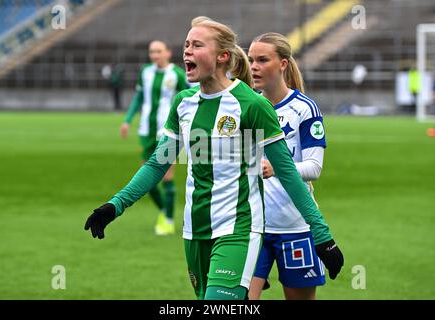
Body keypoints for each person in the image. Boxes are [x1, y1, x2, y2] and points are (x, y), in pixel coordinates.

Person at [84, 16, 343, 300]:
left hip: (239, 230)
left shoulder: (252, 105)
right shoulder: (183, 103)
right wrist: (114, 206)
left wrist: (322, 235)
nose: (187, 51)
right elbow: (159, 164)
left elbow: (289, 174)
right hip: (194, 231)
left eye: (197, 45)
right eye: (186, 45)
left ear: (222, 57)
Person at [247, 32, 336, 300]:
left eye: (263, 60)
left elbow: (314, 168)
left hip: (296, 227)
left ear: (283, 64)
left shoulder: (304, 109)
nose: (254, 66)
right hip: (253, 227)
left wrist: (279, 168)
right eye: (251, 60)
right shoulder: (246, 105)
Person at [120, 40, 188, 235]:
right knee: (146, 177)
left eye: (158, 51)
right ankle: (164, 211)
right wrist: (127, 120)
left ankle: (167, 220)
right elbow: (139, 98)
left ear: (168, 53)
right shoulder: (145, 72)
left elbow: (188, 98)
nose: (155, 55)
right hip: (146, 131)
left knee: (166, 174)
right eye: (152, 52)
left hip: (167, 131)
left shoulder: (177, 74)